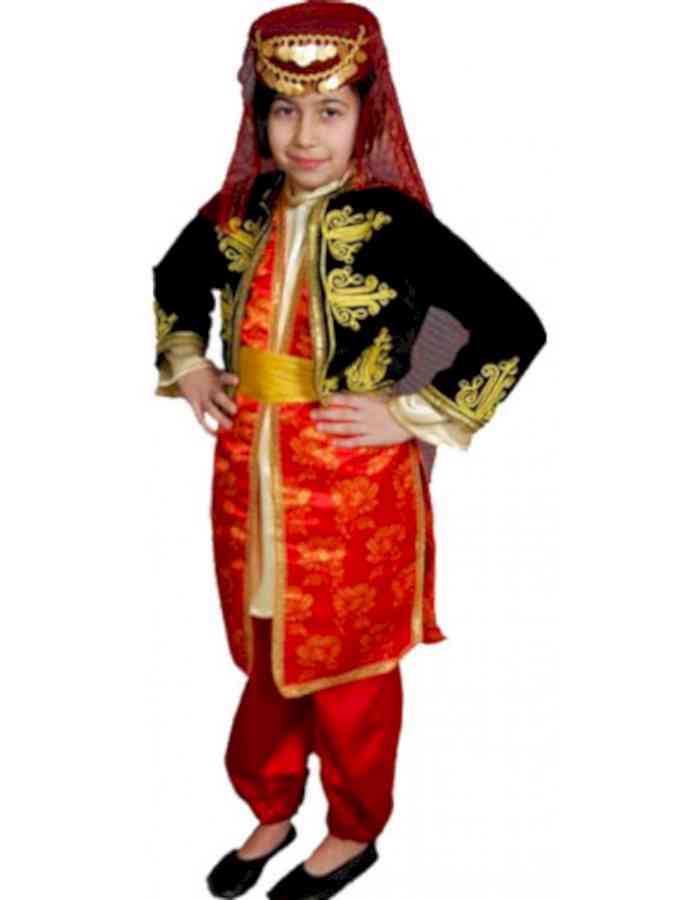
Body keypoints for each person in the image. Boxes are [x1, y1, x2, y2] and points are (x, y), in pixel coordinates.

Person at [151, 2, 547, 898]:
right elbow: (176, 276)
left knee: (351, 679)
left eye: (330, 110)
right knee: (268, 656)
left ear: (368, 115)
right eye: (284, 110)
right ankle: (270, 806)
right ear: (258, 114)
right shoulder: (239, 209)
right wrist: (192, 364)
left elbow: (513, 325)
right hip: (249, 474)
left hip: (353, 490)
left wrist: (411, 415)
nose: (304, 135)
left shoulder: (393, 224)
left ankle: (353, 829)